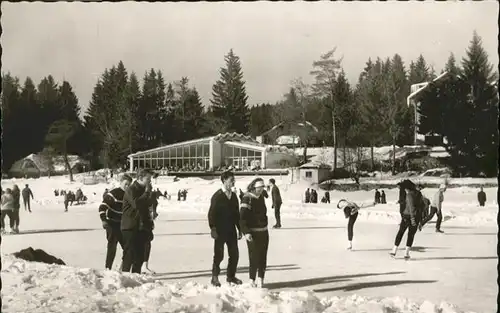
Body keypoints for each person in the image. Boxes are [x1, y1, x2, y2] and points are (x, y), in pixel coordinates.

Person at [208, 171, 242, 287]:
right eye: (231, 180)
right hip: (220, 230)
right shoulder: (217, 196)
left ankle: (231, 276)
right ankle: (215, 277)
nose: (233, 182)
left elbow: (237, 214)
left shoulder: (233, 196)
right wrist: (213, 228)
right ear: (224, 181)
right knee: (219, 255)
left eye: (234, 180)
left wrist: (239, 229)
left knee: (234, 254)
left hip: (231, 230)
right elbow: (211, 214)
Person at [121, 169, 154, 273]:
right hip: (130, 227)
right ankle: (125, 277)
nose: (150, 181)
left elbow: (147, 206)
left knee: (139, 256)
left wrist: (149, 223)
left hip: (141, 226)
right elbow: (136, 204)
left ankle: (136, 278)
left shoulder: (144, 190)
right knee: (129, 254)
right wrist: (147, 192)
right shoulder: (131, 189)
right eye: (148, 179)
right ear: (140, 178)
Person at [240, 178, 269, 288]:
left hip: (264, 232)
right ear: (253, 187)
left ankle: (261, 278)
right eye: (259, 188)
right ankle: (252, 279)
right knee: (254, 257)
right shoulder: (247, 198)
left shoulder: (260, 197)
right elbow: (242, 218)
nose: (261, 190)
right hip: (253, 233)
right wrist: (246, 232)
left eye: (262, 188)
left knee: (263, 256)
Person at [99, 174, 132, 270]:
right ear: (121, 183)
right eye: (126, 184)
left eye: (129, 185)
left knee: (128, 247)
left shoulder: (129, 195)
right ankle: (108, 268)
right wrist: (104, 220)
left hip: (122, 225)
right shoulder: (114, 193)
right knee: (112, 246)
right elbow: (102, 207)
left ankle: (123, 268)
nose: (127, 186)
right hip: (111, 223)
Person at [390, 180, 421, 260]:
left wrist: (412, 218)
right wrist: (419, 219)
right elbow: (422, 206)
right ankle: (406, 253)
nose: (404, 190)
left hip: (408, 216)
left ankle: (394, 250)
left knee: (401, 232)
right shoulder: (419, 193)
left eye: (405, 188)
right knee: (411, 235)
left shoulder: (409, 195)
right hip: (416, 216)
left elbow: (411, 207)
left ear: (407, 188)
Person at [140, 191, 156, 274]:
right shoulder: (139, 198)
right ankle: (123, 266)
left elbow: (149, 214)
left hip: (147, 226)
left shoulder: (149, 200)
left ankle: (144, 266)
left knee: (147, 245)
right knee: (133, 247)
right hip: (139, 225)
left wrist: (151, 223)